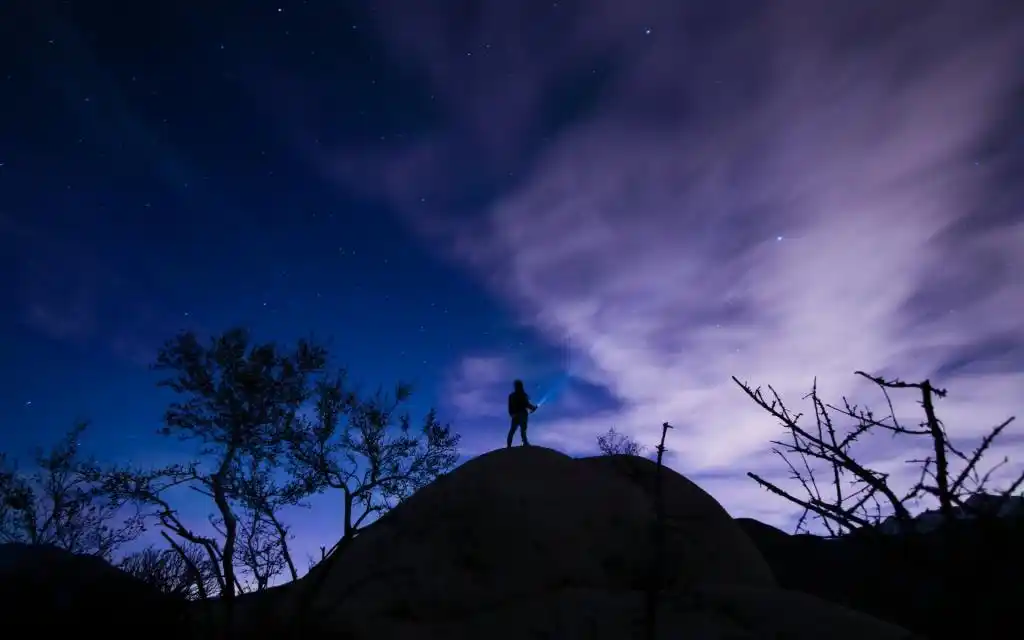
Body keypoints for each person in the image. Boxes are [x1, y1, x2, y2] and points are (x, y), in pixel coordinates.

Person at [507, 379, 538, 448]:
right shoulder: (522, 395)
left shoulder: (512, 396)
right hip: (522, 414)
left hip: (515, 415)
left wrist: (512, 414)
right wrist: (533, 408)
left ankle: (509, 445)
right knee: (522, 430)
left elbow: (510, 406)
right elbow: (526, 404)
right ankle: (525, 443)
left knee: (513, 430)